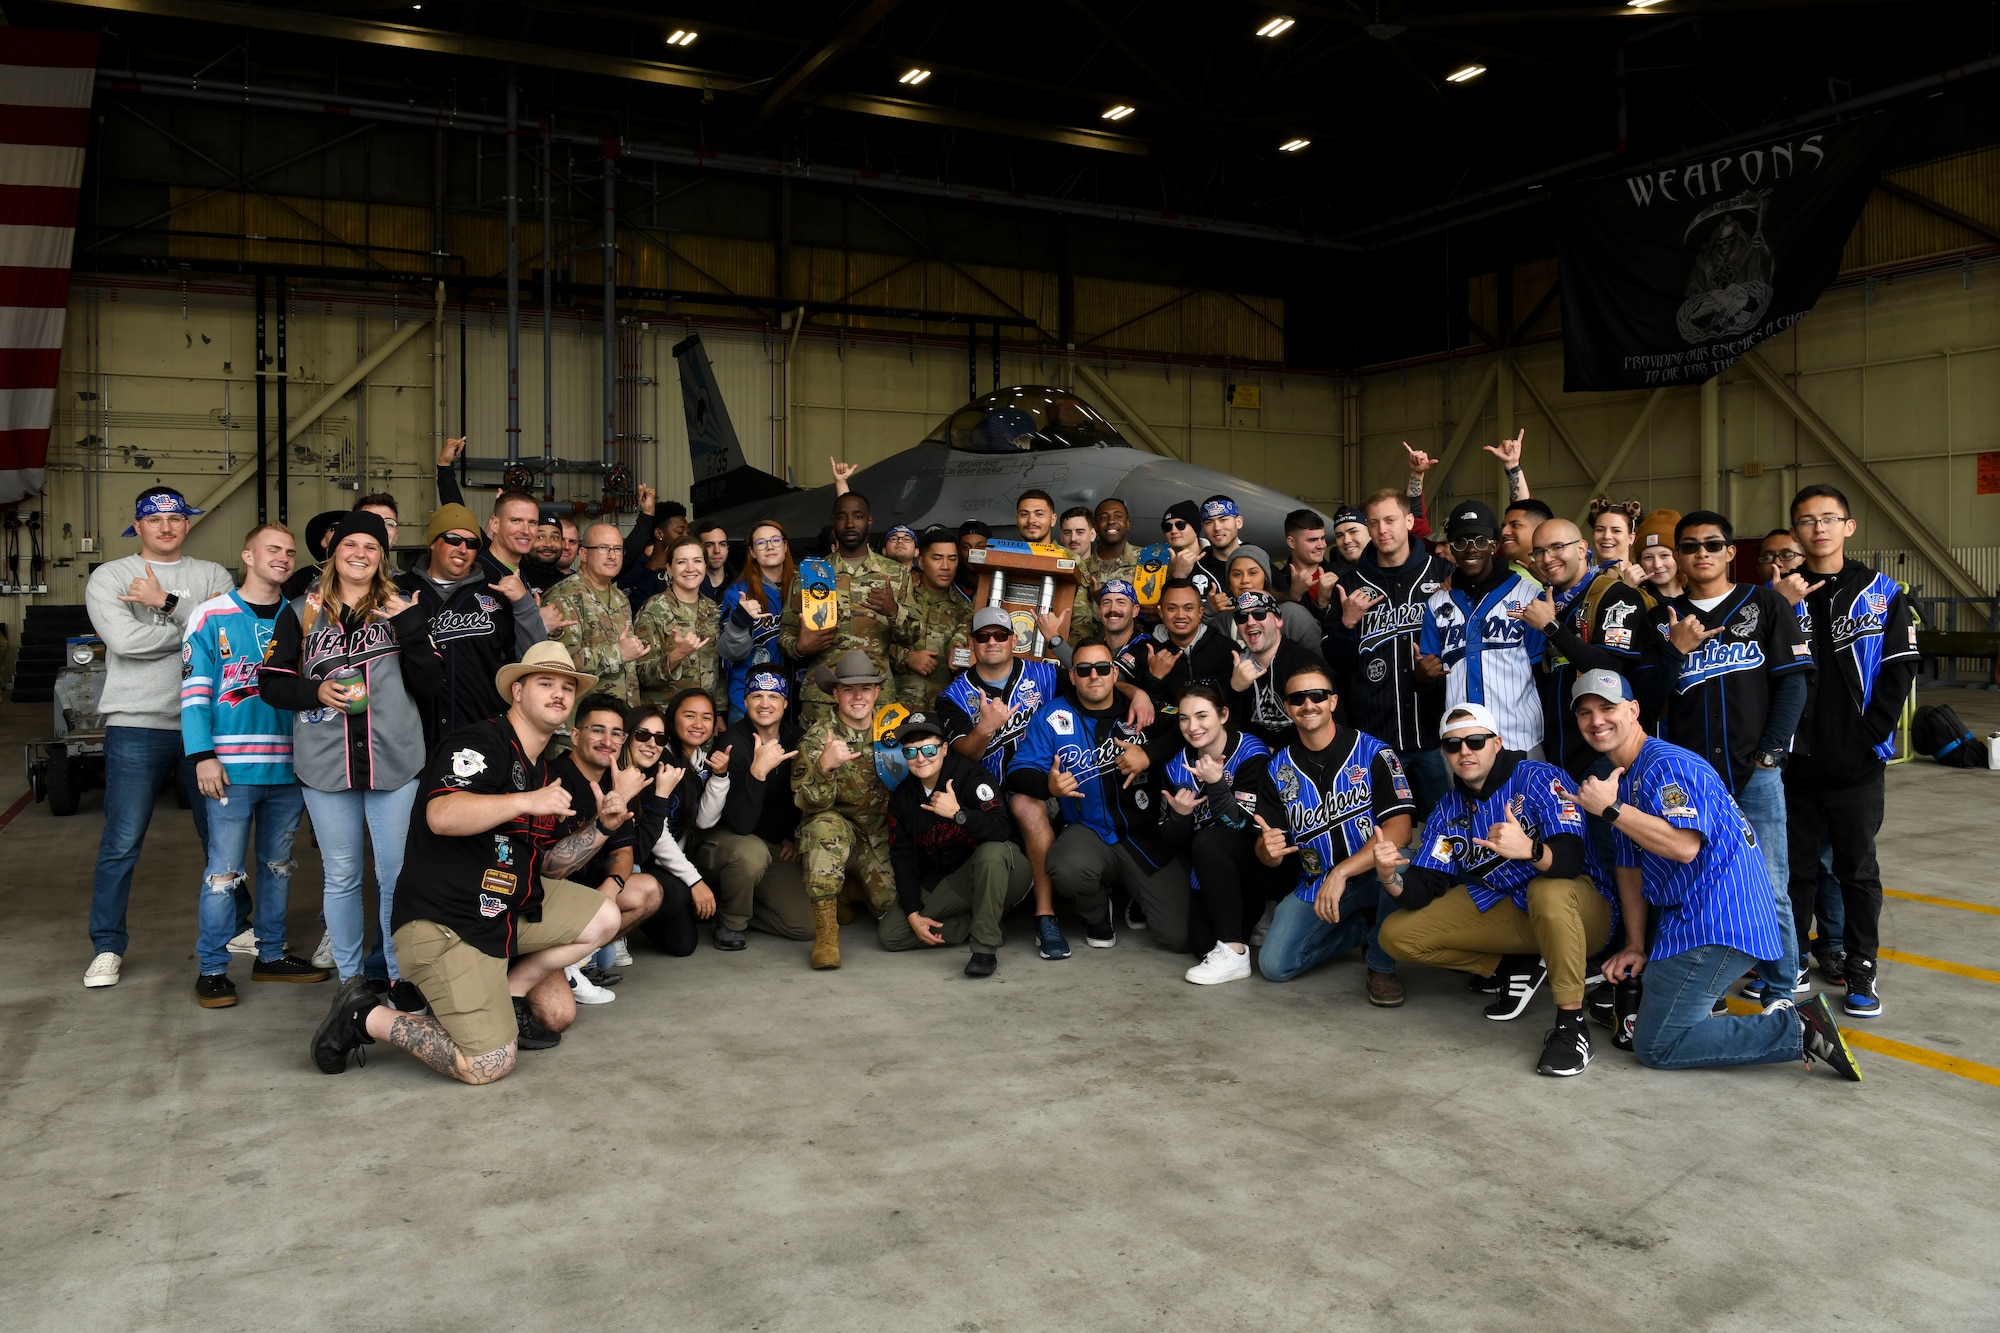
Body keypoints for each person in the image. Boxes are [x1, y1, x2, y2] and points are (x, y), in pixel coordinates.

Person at [309, 643, 627, 1083]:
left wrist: (603, 828)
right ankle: (365, 1016)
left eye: (567, 687)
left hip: (504, 909)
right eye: (546, 683)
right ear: (517, 690)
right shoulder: (480, 742)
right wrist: (525, 801)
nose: (559, 694)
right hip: (446, 925)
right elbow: (441, 816)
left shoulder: (540, 768)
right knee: (487, 1063)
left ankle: (511, 993)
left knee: (605, 917)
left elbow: (549, 866)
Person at [1569, 669, 1861, 1082]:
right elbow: (1629, 868)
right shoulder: (1625, 777)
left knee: (1656, 1044)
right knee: (1654, 1010)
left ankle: (1796, 1028)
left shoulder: (1666, 765)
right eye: (1585, 712)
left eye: (1608, 707)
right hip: (1692, 921)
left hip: (1720, 921)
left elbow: (1684, 846)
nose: (1596, 720)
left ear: (1633, 711)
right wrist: (1635, 944)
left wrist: (1611, 811)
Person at [1374, 703, 1616, 1075]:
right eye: (1453, 745)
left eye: (1475, 740)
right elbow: (1426, 884)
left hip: (1584, 911)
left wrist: (1531, 850)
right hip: (1517, 911)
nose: (1464, 751)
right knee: (1395, 935)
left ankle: (1572, 1025)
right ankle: (1513, 968)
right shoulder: (1447, 811)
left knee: (1547, 891)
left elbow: (1570, 857)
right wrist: (1390, 877)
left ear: (1497, 743)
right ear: (1444, 753)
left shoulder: (1539, 778)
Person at [260, 511, 442, 987]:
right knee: (341, 877)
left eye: (371, 546)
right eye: (350, 544)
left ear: (382, 556)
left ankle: (399, 979)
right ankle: (351, 981)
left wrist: (410, 626)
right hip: (325, 763)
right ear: (334, 551)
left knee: (394, 876)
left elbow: (433, 682)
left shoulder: (403, 606)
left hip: (394, 760)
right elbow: (271, 684)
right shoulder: (300, 608)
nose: (360, 553)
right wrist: (314, 691)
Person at [1642, 510, 1811, 1009]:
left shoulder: (1764, 604)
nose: (1701, 554)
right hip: (1691, 778)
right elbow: (1646, 700)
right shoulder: (1661, 617)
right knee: (1693, 883)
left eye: (1712, 545)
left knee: (1769, 885)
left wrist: (1770, 754)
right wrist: (1676, 650)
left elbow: (1793, 682)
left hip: (1753, 771)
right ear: (1679, 557)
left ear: (1731, 552)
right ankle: (1705, 988)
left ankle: (1781, 990)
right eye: (1690, 546)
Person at [82, 486, 234, 989]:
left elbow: (227, 636)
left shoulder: (213, 574)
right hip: (137, 723)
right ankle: (107, 946)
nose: (166, 527)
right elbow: (124, 641)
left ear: (188, 524)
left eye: (176, 518)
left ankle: (241, 927)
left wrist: (164, 603)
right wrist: (194, 620)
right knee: (122, 841)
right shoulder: (110, 576)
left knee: (220, 835)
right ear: (138, 525)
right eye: (155, 519)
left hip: (206, 728)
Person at [1780, 484, 1918, 1019]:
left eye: (1829, 518)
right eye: (1807, 521)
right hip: (1795, 762)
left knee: (1857, 870)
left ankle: (1861, 966)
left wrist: (1868, 740)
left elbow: (1899, 669)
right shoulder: (1781, 595)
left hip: (1857, 763)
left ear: (1848, 526)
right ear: (1795, 531)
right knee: (1796, 869)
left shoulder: (1880, 592)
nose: (1818, 528)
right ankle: (1789, 960)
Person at [185, 522, 328, 1008]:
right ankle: (212, 968)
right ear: (247, 556)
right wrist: (202, 755)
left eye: (290, 552)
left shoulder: (306, 615)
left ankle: (270, 955)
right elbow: (194, 692)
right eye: (273, 549)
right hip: (230, 768)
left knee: (279, 866)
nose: (284, 558)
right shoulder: (211, 615)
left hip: (290, 768)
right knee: (223, 873)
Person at [1008, 639, 1189, 954]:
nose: (1095, 676)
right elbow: (1017, 771)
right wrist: (1047, 787)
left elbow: (1187, 726)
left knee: (1180, 938)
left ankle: (1139, 894)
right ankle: (1096, 913)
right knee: (1065, 867)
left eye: (1103, 668)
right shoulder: (1053, 715)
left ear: (1114, 674)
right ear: (1073, 675)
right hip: (1088, 831)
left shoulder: (1141, 710)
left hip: (1144, 837)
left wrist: (1148, 753)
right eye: (1085, 669)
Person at [1250, 661, 1415, 1004]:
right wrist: (1266, 850)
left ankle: (1381, 965)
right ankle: (1362, 929)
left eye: (1317, 696)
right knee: (1275, 964)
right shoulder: (1277, 768)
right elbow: (1266, 854)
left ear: (1333, 702)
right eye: (1298, 699)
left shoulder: (1374, 752)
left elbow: (1399, 831)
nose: (1308, 704)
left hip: (1372, 875)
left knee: (1400, 863)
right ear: (1287, 708)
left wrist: (1342, 872)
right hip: (1317, 882)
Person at [937, 605, 1068, 952]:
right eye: (983, 636)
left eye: (1000, 635)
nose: (992, 642)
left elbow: (1099, 680)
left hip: (1040, 787)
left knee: (1028, 806)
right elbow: (962, 753)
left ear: (1014, 640)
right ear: (973, 643)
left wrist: (1139, 694)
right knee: (996, 898)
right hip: (984, 797)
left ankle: (1045, 916)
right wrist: (985, 728)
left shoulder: (1046, 675)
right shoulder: (952, 694)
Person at [1325, 488, 1452, 818]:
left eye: (1391, 520)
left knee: (1450, 827)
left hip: (1436, 733)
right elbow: (1337, 663)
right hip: (1378, 738)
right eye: (1374, 522)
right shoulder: (1350, 584)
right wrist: (1348, 624)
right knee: (1387, 835)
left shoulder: (1442, 574)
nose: (1383, 529)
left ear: (1409, 521)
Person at [880, 712, 1032, 977]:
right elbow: (902, 857)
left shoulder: (971, 777)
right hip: (955, 880)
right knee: (892, 934)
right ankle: (984, 921)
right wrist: (914, 911)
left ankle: (985, 947)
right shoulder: (902, 797)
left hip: (1006, 872)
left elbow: (1000, 829)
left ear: (945, 748)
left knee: (991, 852)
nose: (920, 758)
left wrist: (959, 814)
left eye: (928, 748)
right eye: (910, 752)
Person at [397, 503, 548, 748]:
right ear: (433, 542)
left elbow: (533, 659)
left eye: (471, 543)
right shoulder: (399, 590)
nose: (462, 548)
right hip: (413, 738)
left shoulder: (497, 591)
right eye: (453, 539)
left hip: (481, 734)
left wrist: (524, 605)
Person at [1160, 683, 1279, 985]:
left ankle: (1237, 947)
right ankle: (1245, 921)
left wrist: (1216, 785)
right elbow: (1175, 840)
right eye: (1184, 718)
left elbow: (1241, 826)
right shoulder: (1177, 765)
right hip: (1211, 869)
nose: (1193, 726)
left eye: (1202, 716)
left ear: (1223, 714)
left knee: (1212, 837)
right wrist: (1180, 817)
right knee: (1199, 944)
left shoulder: (1252, 752)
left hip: (1259, 861)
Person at [546, 693, 664, 999]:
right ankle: (556, 960)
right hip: (549, 896)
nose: (607, 740)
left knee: (650, 890)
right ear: (574, 734)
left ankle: (572, 961)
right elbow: (549, 869)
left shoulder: (615, 785)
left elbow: (624, 850)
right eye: (597, 730)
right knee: (557, 1011)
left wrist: (611, 887)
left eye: (616, 733)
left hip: (590, 894)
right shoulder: (552, 778)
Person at [1517, 518, 1652, 780]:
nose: (1547, 558)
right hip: (1556, 751)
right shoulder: (1546, 603)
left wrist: (1551, 627)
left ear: (1581, 548)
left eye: (1557, 547)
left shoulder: (1616, 595)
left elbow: (1610, 667)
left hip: (1603, 751)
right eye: (1540, 551)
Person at [794, 650, 902, 968]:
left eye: (866, 688)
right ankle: (827, 936)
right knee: (822, 827)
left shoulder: (893, 727)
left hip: (880, 833)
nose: (858, 696)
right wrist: (824, 768)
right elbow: (806, 804)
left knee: (892, 906)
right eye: (849, 689)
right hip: (840, 832)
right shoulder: (818, 738)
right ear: (836, 693)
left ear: (877, 692)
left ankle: (851, 889)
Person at [1415, 500, 1547, 755]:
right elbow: (1430, 675)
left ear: (1494, 546)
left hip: (1520, 739)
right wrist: (1421, 678)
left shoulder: (1530, 595)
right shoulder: (1437, 603)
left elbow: (1540, 671)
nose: (1471, 549)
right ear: (1451, 548)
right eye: (1461, 542)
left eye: (1480, 540)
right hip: (1461, 745)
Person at [698, 672, 814, 948]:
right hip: (728, 842)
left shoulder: (797, 737)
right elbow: (740, 824)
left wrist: (794, 836)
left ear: (785, 703)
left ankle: (724, 902)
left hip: (772, 843)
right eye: (757, 696)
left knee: (805, 926)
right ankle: (730, 920)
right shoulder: (732, 742)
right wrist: (758, 771)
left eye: (773, 696)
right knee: (751, 852)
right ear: (745, 701)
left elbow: (800, 798)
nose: (765, 703)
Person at [780, 492, 910, 724]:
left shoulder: (895, 574)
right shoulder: (810, 575)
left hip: (876, 698)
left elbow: (912, 637)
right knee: (819, 760)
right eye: (842, 517)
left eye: (858, 516)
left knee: (877, 761)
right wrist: (799, 646)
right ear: (833, 521)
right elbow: (785, 634)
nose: (850, 524)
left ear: (869, 521)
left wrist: (893, 612)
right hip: (822, 698)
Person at [632, 688, 732, 957]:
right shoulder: (660, 758)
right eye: (689, 715)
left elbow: (704, 821)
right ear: (672, 718)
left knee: (682, 943)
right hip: (645, 860)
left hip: (671, 862)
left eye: (706, 717)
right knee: (683, 929)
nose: (698, 724)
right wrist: (694, 881)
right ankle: (625, 923)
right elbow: (658, 834)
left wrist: (720, 777)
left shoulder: (699, 758)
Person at [543, 520, 649, 710]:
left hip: (621, 717)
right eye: (603, 548)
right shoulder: (564, 596)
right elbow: (562, 661)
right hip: (582, 720)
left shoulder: (619, 597)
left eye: (617, 549)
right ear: (583, 554)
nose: (612, 556)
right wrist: (619, 653)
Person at [1118, 579, 1236, 714]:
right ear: (1161, 612)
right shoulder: (1144, 649)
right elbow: (1110, 685)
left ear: (1200, 612)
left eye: (1188, 608)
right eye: (1172, 608)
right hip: (1164, 733)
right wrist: (1153, 679)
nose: (1180, 615)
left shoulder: (1227, 649)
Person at [718, 519, 795, 723]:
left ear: (785, 546)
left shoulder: (805, 586)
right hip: (751, 699)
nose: (769, 546)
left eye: (775, 540)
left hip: (795, 698)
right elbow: (730, 652)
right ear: (752, 552)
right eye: (761, 543)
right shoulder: (739, 593)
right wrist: (740, 621)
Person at [1225, 591, 1323, 747]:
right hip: (1253, 762)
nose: (1250, 622)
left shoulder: (1306, 663)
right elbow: (1225, 733)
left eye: (1259, 613)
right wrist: (1235, 690)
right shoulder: (1232, 667)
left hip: (1301, 761)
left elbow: (1328, 728)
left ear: (1278, 620)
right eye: (1242, 617)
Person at [889, 526, 970, 712]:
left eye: (952, 558)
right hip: (896, 708)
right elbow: (870, 643)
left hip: (942, 713)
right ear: (922, 562)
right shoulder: (899, 598)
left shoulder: (966, 608)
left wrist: (960, 657)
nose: (945, 566)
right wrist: (906, 658)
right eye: (937, 558)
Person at [636, 535, 721, 704]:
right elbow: (641, 673)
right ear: (669, 568)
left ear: (705, 565)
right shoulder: (653, 609)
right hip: (665, 714)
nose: (691, 568)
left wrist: (719, 710)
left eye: (697, 561)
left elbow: (718, 667)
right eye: (682, 562)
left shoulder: (712, 609)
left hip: (704, 716)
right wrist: (677, 655)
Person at [1221, 547, 1321, 652]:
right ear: (1229, 583)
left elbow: (1320, 662)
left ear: (1266, 578)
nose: (1245, 580)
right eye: (1237, 574)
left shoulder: (1293, 614)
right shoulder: (1223, 619)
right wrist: (1210, 612)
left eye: (1253, 573)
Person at [617, 485, 688, 615]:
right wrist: (651, 570)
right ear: (659, 534)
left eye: (687, 532)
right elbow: (632, 612)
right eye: (680, 532)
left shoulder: (691, 569)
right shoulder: (634, 569)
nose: (686, 537)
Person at [1072, 497, 1136, 641]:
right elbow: (1079, 622)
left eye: (1118, 516)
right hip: (1094, 653)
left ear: (1128, 524)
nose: (1111, 521)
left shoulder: (1148, 561)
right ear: (1095, 526)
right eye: (1104, 517)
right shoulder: (1083, 568)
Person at [1160, 501, 1225, 605]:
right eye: (1167, 527)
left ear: (1195, 529)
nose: (1173, 530)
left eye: (1180, 525)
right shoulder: (1158, 564)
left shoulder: (1216, 558)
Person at [1274, 508, 1336, 614]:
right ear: (1291, 542)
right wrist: (1294, 596)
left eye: (1322, 538)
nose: (1321, 546)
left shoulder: (1341, 573)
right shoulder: (1276, 583)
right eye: (1312, 540)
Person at [1197, 495, 1246, 594]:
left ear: (1239, 522)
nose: (1217, 528)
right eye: (1209, 522)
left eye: (1223, 520)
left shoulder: (1259, 562)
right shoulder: (1196, 568)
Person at [1499, 499, 1554, 575]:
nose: (1503, 532)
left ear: (1540, 529)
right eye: (1503, 527)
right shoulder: (1495, 574)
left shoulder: (1561, 570)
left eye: (1515, 525)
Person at [1587, 497, 1643, 570]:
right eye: (1600, 530)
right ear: (1593, 535)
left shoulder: (1644, 580)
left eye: (1616, 531)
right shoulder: (1582, 580)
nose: (1606, 536)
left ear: (1631, 538)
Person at [520, 512, 569, 594]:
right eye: (539, 537)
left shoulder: (568, 584)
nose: (548, 544)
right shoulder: (512, 577)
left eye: (555, 538)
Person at [1326, 506, 1371, 582]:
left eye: (1353, 532)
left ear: (1371, 531)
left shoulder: (1391, 567)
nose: (1346, 540)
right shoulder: (1331, 574)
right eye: (1340, 535)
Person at [953, 519, 991, 604]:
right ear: (958, 551)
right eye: (966, 547)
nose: (973, 553)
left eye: (980, 547)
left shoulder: (999, 578)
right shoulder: (950, 579)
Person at [694, 520, 732, 602]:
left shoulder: (743, 585)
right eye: (709, 545)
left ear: (727, 549)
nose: (717, 551)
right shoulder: (689, 586)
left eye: (722, 544)